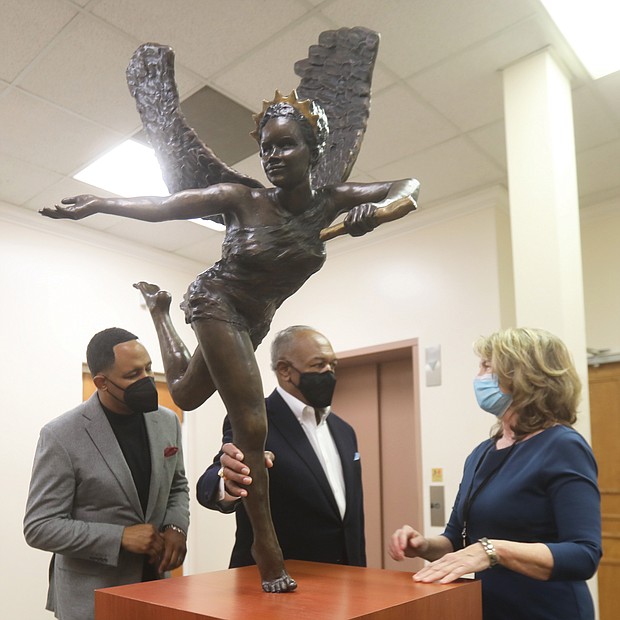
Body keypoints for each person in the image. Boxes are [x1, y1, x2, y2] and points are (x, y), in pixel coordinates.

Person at [40, 91, 417, 592]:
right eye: (266, 148)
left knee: (189, 395)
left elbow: (407, 185)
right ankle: (268, 549)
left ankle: (159, 314)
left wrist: (383, 208)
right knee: (251, 422)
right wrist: (101, 203)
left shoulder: (332, 202)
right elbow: (165, 206)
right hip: (217, 300)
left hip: (255, 317)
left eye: (285, 146)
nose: (273, 157)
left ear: (313, 151)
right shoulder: (244, 199)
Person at [389, 327, 602, 620]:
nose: (479, 375)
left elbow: (584, 555)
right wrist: (424, 545)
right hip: (487, 608)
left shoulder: (562, 445)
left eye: (487, 366)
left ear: (524, 376)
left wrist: (492, 550)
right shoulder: (482, 453)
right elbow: (456, 538)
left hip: (548, 610)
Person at [24, 328, 189, 620]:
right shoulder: (61, 435)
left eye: (149, 369)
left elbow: (177, 485)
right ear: (101, 382)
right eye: (133, 375)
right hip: (90, 601)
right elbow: (40, 526)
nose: (147, 380)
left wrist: (176, 527)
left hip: (156, 591)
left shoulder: (168, 421)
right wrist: (120, 537)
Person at [196, 325, 366, 568]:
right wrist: (228, 480)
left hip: (347, 579)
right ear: (285, 370)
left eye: (333, 365)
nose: (329, 372)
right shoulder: (254, 420)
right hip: (280, 581)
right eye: (318, 365)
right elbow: (213, 478)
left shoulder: (344, 430)